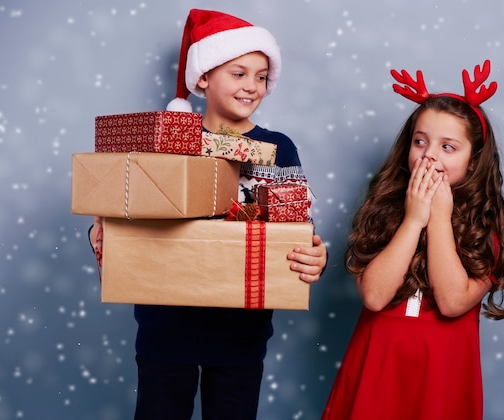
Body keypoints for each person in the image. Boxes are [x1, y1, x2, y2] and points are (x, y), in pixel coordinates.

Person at [90, 9, 327, 420]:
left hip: (241, 332)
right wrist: (104, 231)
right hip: (166, 326)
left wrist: (312, 254)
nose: (252, 86)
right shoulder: (166, 140)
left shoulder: (278, 149)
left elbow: (294, 229)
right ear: (203, 77)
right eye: (239, 73)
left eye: (261, 76)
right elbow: (128, 208)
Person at [321, 60, 504, 420]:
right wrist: (413, 219)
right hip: (378, 363)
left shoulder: (483, 227)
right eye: (421, 141)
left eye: (448, 147)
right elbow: (375, 297)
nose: (429, 155)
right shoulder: (384, 209)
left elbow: (453, 302)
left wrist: (439, 217)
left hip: (441, 372)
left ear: (474, 162)